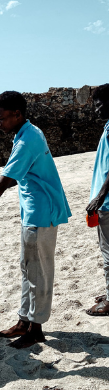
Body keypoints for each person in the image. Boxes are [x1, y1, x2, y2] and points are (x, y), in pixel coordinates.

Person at [0, 91, 71, 348]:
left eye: (1, 118)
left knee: (38, 272)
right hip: (32, 211)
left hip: (41, 213)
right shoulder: (24, 133)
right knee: (27, 268)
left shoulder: (27, 139)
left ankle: (36, 329)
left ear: (17, 114)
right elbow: (12, 176)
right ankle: (24, 321)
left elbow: (6, 181)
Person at [85, 84, 109, 316]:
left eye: (99, 105)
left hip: (108, 204)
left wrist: (100, 196)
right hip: (105, 202)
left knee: (108, 252)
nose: (95, 110)